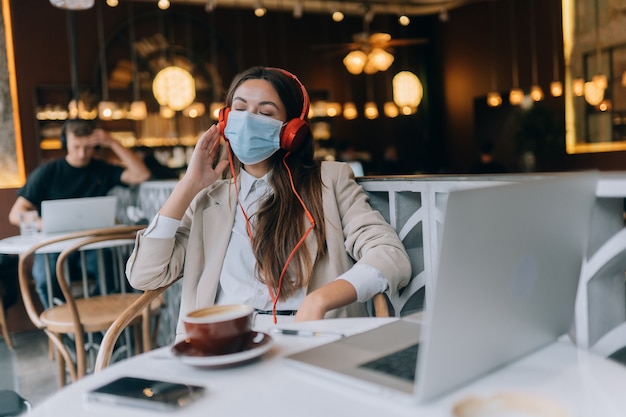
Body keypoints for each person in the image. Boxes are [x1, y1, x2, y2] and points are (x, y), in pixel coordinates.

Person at [126, 66, 411, 339]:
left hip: (311, 336)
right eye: (239, 109)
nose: (248, 119)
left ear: (291, 130)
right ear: (225, 121)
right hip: (224, 341)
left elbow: (388, 255)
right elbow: (145, 276)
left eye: (265, 112)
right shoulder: (208, 199)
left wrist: (320, 301)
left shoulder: (329, 181)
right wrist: (189, 185)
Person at [8, 119, 151, 308]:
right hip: (54, 244)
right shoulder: (47, 172)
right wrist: (46, 223)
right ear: (65, 142)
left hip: (92, 242)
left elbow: (142, 175)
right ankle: (64, 327)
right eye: (76, 147)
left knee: (111, 277)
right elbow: (15, 213)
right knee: (44, 280)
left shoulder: (102, 169)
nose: (82, 154)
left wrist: (113, 142)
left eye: (88, 147)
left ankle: (102, 323)